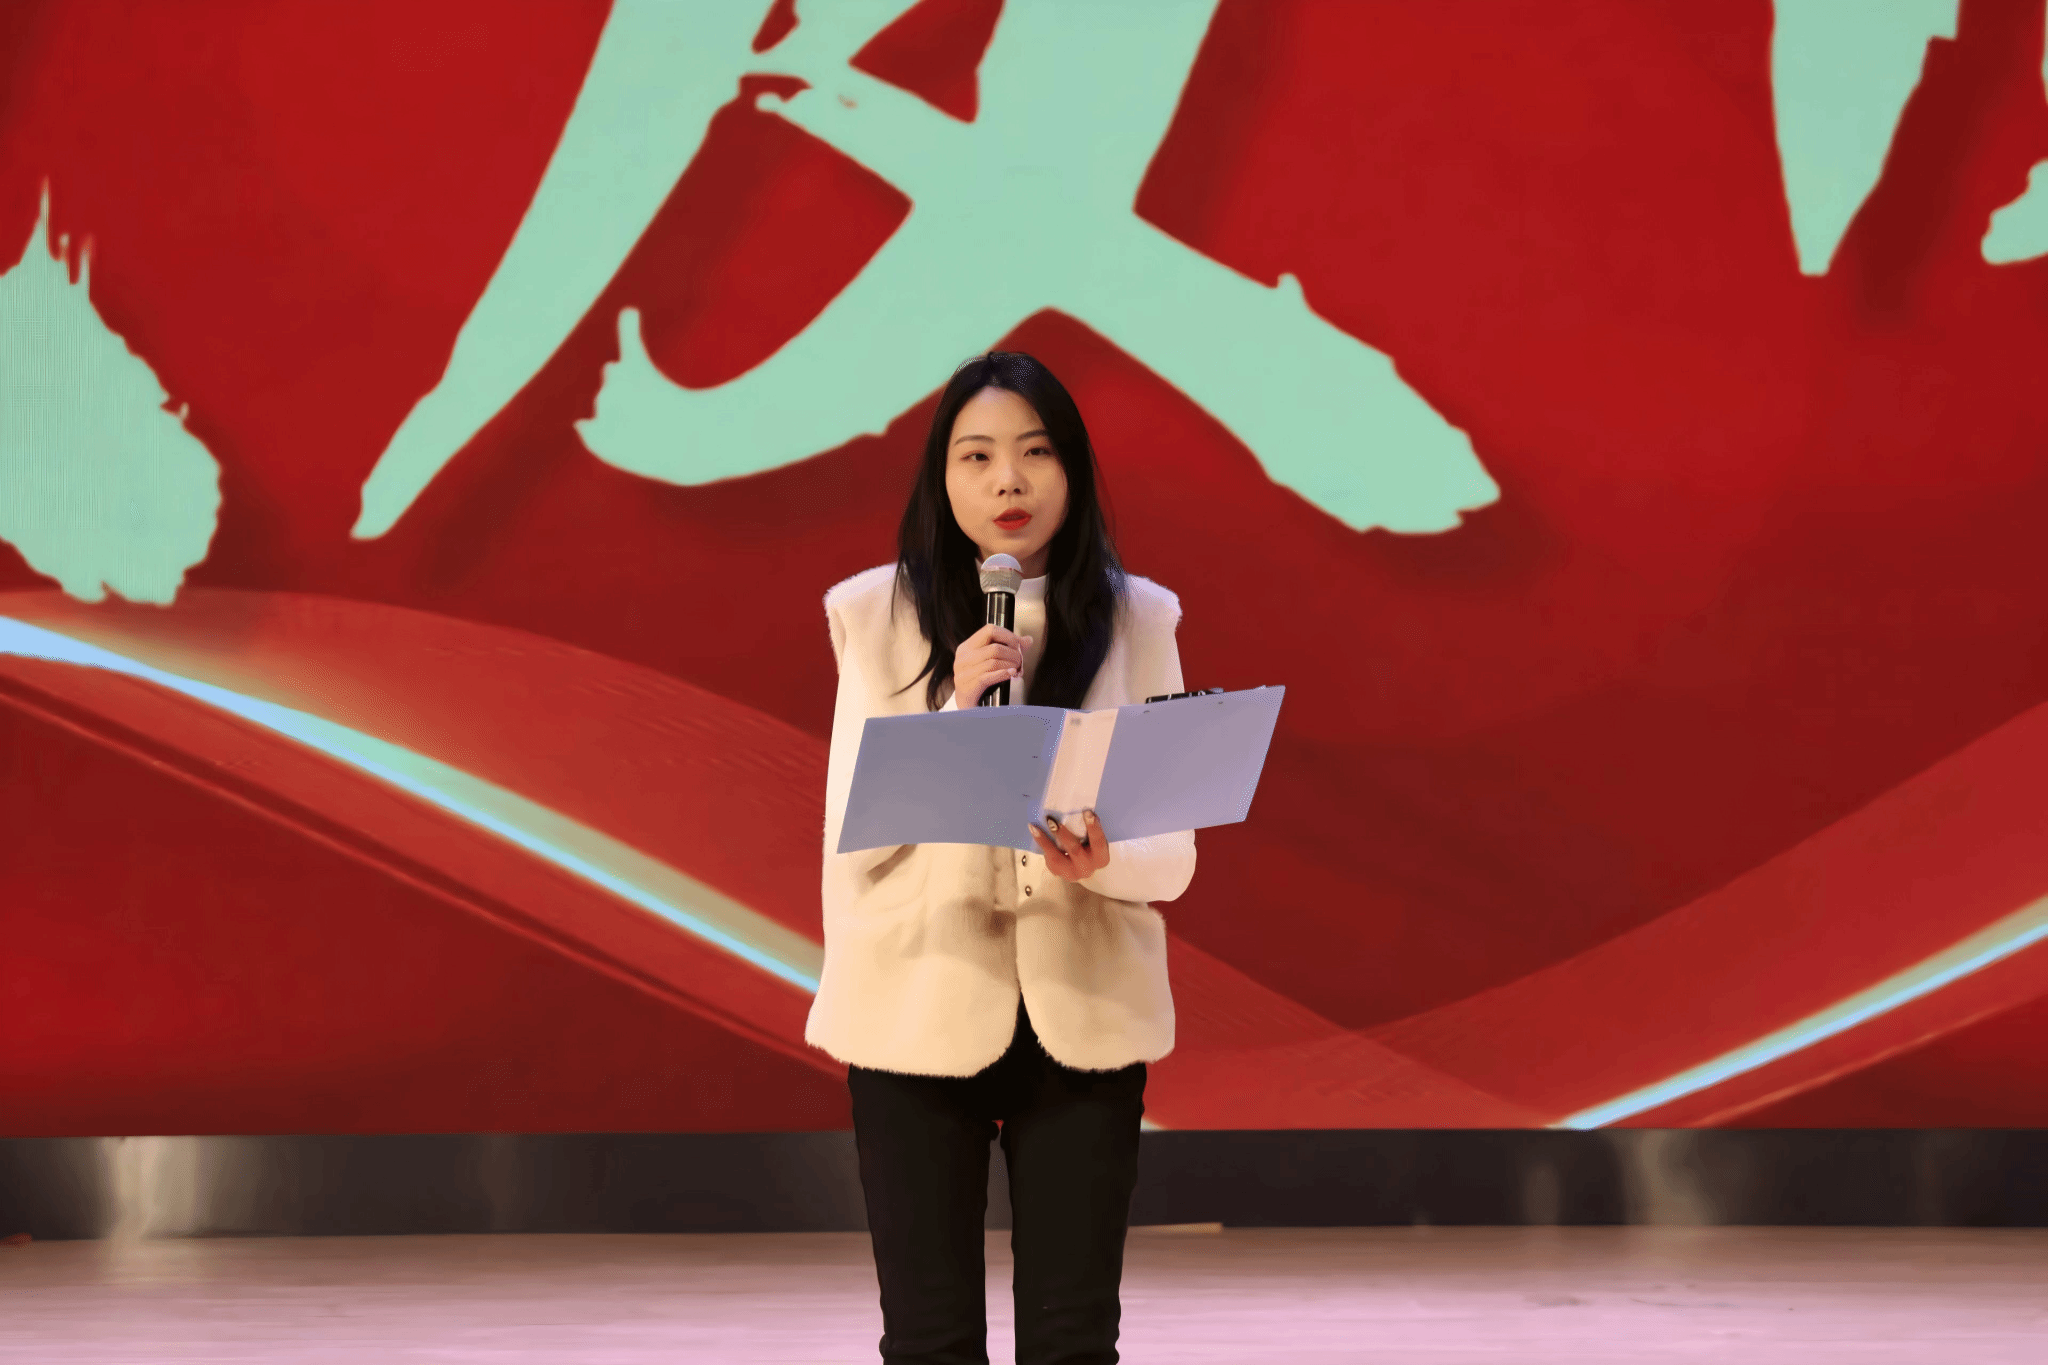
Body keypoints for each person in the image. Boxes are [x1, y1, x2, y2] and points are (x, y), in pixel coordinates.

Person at [809, 351, 1197, 1365]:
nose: (1008, 481)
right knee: (928, 1338)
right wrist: (951, 712)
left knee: (1073, 1339)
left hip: (1084, 1015)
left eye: (1035, 452)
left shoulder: (1141, 619)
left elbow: (1172, 859)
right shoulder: (874, 615)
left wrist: (1101, 858)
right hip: (913, 1004)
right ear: (941, 477)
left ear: (1072, 469)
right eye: (975, 456)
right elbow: (853, 840)